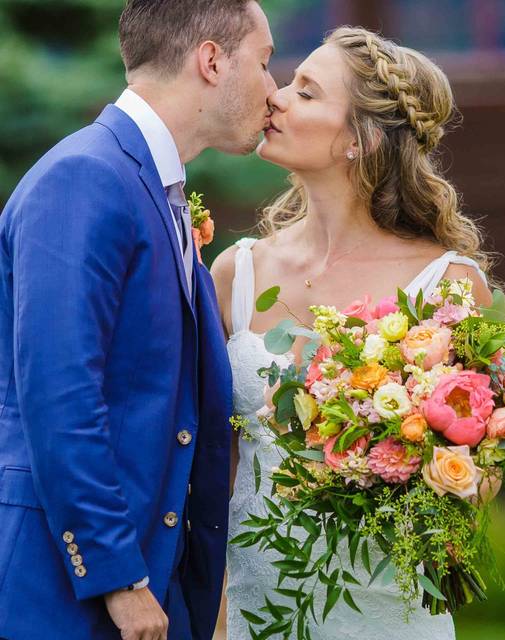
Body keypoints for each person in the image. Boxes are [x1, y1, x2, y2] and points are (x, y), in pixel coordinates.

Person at [0, 1, 276, 637]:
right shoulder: (83, 178)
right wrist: (118, 578)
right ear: (211, 60)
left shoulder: (156, 186)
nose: (273, 89)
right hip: (62, 597)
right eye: (263, 63)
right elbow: (60, 395)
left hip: (154, 587)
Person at [211, 26, 493, 639]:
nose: (277, 98)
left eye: (306, 93)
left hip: (387, 599)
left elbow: (483, 468)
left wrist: (397, 463)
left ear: (359, 141)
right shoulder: (236, 273)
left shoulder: (446, 284)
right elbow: (216, 459)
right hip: (259, 594)